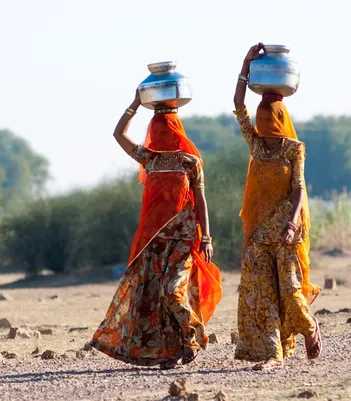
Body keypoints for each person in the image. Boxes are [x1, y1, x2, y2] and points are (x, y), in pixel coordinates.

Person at [90, 89, 223, 370]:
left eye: (165, 129)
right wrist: (135, 104)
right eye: (156, 129)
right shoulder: (150, 159)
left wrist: (207, 238)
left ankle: (192, 337)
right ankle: (170, 352)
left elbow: (201, 201)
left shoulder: (191, 163)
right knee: (152, 297)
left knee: (172, 290)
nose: (159, 134)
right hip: (154, 240)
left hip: (184, 237)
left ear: (176, 131)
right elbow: (118, 135)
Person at [232, 43, 322, 370]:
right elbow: (238, 104)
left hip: (286, 231)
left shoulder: (294, 149)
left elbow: (298, 189)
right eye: (261, 120)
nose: (265, 127)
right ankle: (273, 354)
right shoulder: (256, 145)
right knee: (260, 295)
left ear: (280, 120)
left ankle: (310, 328)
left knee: (290, 291)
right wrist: (245, 65)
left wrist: (290, 223)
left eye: (270, 121)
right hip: (258, 233)